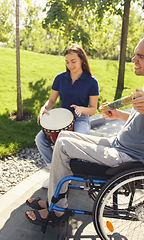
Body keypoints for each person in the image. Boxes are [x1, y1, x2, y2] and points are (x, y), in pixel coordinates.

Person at [25, 30, 144, 225]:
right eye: (135, 54)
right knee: (62, 136)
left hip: (129, 157)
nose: (134, 59)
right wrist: (119, 115)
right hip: (118, 145)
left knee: (62, 147)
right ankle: (55, 200)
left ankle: (57, 209)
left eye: (141, 56)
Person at [35, 44, 99, 188]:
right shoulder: (60, 78)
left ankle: (74, 173)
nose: (70, 65)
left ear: (82, 60)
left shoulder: (91, 81)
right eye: (67, 62)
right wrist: (43, 109)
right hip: (62, 118)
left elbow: (93, 109)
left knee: (75, 143)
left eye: (73, 61)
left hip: (81, 118)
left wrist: (82, 109)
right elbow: (51, 101)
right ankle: (55, 172)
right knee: (40, 139)